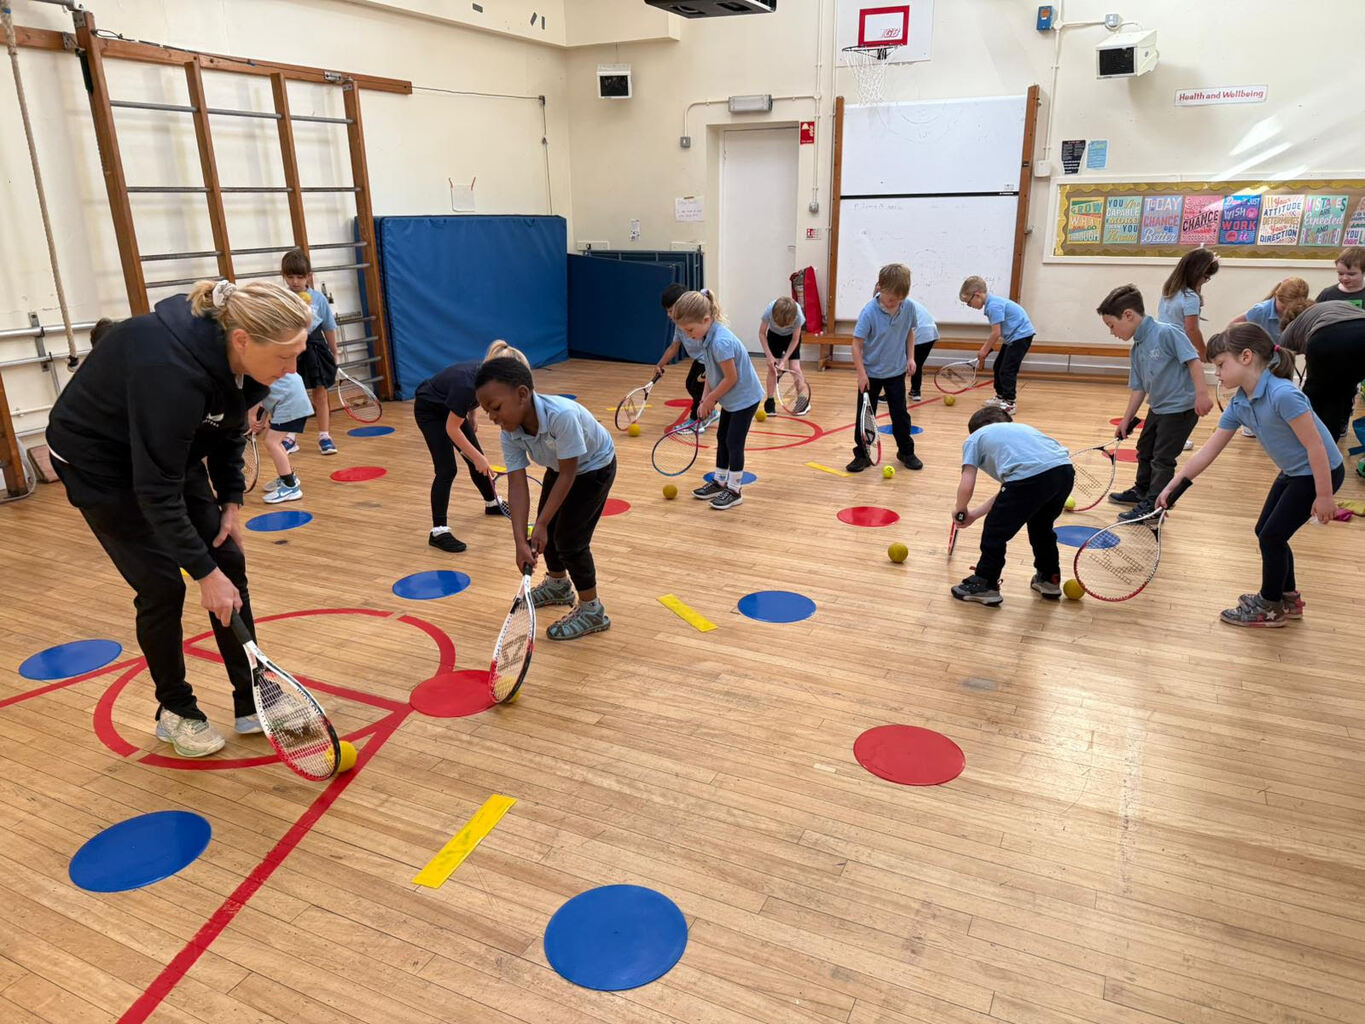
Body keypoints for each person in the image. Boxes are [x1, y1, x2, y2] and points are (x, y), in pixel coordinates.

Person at [45, 280, 311, 756]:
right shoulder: (168, 371)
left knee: (228, 561)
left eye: (298, 355)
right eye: (285, 358)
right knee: (163, 585)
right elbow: (155, 490)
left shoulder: (248, 363)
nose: (293, 371)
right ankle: (175, 710)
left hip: (167, 452)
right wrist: (202, 573)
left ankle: (254, 699)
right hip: (99, 463)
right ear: (243, 340)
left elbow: (230, 427)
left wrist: (230, 499)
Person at [1157, 324, 1345, 628]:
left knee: (1273, 536)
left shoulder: (1283, 394)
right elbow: (1209, 451)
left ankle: (1270, 607)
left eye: (1220, 365)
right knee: (1267, 532)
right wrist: (1173, 486)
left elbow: (1316, 447)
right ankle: (1287, 598)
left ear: (1246, 357)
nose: (1216, 373)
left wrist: (1324, 496)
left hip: (1318, 472)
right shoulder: (1240, 403)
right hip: (1295, 472)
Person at [475, 356, 617, 640]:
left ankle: (592, 609)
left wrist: (540, 524)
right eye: (487, 412)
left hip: (593, 467)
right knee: (548, 531)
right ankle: (558, 585)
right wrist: (520, 541)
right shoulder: (510, 432)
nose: (493, 418)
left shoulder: (560, 416)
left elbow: (569, 473)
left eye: (496, 408)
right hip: (559, 466)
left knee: (569, 541)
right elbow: (517, 483)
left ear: (523, 394)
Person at [1097, 284, 1212, 520]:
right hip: (1158, 407)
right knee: (1145, 450)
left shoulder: (1167, 332)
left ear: (1128, 315)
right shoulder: (1137, 349)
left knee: (1162, 458)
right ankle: (1142, 491)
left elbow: (1194, 361)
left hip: (1181, 408)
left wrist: (1202, 394)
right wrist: (1126, 420)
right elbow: (1138, 388)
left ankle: (1155, 504)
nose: (1112, 332)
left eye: (1111, 325)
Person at [949, 406, 1075, 607]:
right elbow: (1010, 492)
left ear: (976, 429)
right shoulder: (1023, 431)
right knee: (1041, 527)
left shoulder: (975, 438)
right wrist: (973, 515)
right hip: (1063, 472)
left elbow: (967, 482)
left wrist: (961, 508)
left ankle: (986, 583)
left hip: (1029, 479)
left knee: (995, 531)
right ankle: (1049, 579)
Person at [413, 341, 529, 552]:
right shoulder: (467, 384)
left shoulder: (485, 377)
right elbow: (452, 429)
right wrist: (476, 457)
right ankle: (438, 531)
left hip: (451, 409)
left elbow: (474, 400)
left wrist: (472, 415)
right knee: (447, 469)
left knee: (477, 457)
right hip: (430, 411)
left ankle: (492, 503)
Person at [671, 289, 766, 509]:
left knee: (734, 441)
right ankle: (720, 481)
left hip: (745, 398)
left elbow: (731, 378)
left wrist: (711, 399)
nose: (687, 335)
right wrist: (705, 400)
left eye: (690, 330)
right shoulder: (706, 337)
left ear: (706, 319)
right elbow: (713, 375)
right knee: (722, 437)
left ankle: (735, 490)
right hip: (732, 398)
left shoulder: (720, 342)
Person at [849, 264, 922, 473]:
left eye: (899, 299)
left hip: (896, 372)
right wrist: (861, 374)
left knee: (900, 414)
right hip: (870, 375)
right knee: (864, 416)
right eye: (891, 299)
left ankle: (906, 451)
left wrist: (911, 357)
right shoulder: (869, 312)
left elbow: (909, 332)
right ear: (880, 288)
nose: (895, 303)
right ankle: (862, 454)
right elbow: (856, 344)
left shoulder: (908, 307)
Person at [280, 248, 341, 456]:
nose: (295, 281)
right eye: (290, 277)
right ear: (284, 277)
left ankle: (324, 436)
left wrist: (335, 352)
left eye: (300, 276)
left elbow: (329, 327)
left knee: (320, 394)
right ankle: (290, 437)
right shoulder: (282, 299)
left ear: (309, 276)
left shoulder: (318, 299)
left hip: (316, 349)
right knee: (293, 395)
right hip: (291, 350)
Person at [1279, 300, 1365, 442]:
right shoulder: (1332, 307)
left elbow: (1278, 373)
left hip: (1328, 338)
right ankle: (1341, 425)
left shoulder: (1290, 329)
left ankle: (1323, 451)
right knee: (1345, 385)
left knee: (1319, 398)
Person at [959, 275, 1035, 414]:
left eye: (969, 303)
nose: (969, 306)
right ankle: (1001, 397)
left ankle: (1010, 402)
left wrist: (984, 350)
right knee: (998, 366)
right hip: (1013, 337)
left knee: (1007, 369)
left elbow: (996, 333)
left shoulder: (993, 306)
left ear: (977, 295)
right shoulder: (992, 303)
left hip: (1021, 336)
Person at [654, 283, 715, 432]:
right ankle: (710, 413)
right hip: (698, 360)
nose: (668, 315)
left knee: (698, 388)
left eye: (670, 310)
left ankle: (697, 421)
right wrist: (660, 364)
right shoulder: (679, 326)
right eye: (667, 311)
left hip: (709, 360)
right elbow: (674, 347)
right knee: (690, 384)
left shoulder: (698, 322)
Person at [258, 371, 312, 504]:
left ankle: (290, 487)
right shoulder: (268, 358)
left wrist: (253, 419)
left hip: (290, 403)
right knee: (275, 441)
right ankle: (288, 477)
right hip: (295, 401)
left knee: (272, 443)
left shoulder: (251, 365)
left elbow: (255, 399)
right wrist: (261, 420)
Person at [1157, 248, 1219, 360]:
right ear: (1195, 273)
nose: (1206, 281)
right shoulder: (1190, 297)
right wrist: (1203, 353)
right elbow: (1191, 329)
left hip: (1163, 346)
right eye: (1206, 277)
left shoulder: (1169, 291)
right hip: (1181, 350)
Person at [759, 296, 808, 415]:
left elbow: (795, 340)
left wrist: (784, 360)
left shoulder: (798, 316)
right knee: (772, 369)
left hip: (791, 338)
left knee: (795, 368)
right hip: (774, 337)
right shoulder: (769, 310)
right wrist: (769, 356)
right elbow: (761, 333)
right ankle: (770, 402)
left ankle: (803, 401)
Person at [1230, 277, 1311, 344]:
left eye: (1290, 309)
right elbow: (1233, 325)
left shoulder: (1301, 312)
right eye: (1283, 307)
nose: (1286, 312)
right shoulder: (1260, 311)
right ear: (1276, 295)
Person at [907, 298, 939, 403]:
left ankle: (889, 395)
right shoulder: (902, 298)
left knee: (900, 361)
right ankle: (915, 391)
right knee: (917, 363)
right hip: (931, 333)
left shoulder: (893, 301)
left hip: (920, 332)